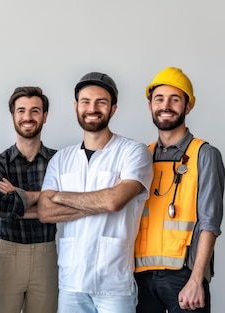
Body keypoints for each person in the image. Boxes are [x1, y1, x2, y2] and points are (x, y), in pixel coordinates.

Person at [38, 72, 153, 313]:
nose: (92, 108)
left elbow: (113, 202)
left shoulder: (134, 152)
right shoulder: (61, 159)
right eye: (86, 101)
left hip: (114, 283)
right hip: (71, 282)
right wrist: (100, 199)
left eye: (101, 102)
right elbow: (45, 211)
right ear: (76, 106)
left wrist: (59, 195)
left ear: (113, 109)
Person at [134, 67, 224, 312]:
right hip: (140, 277)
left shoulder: (204, 154)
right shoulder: (142, 156)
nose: (166, 105)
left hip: (184, 278)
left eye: (175, 99)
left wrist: (197, 279)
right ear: (150, 106)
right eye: (159, 99)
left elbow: (210, 222)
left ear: (188, 106)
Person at [0, 86, 58, 313]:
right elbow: (2, 208)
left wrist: (18, 194)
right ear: (13, 116)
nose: (27, 117)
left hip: (47, 254)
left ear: (45, 116)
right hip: (8, 253)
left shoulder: (59, 161)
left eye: (35, 111)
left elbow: (66, 204)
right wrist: (48, 200)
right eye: (21, 111)